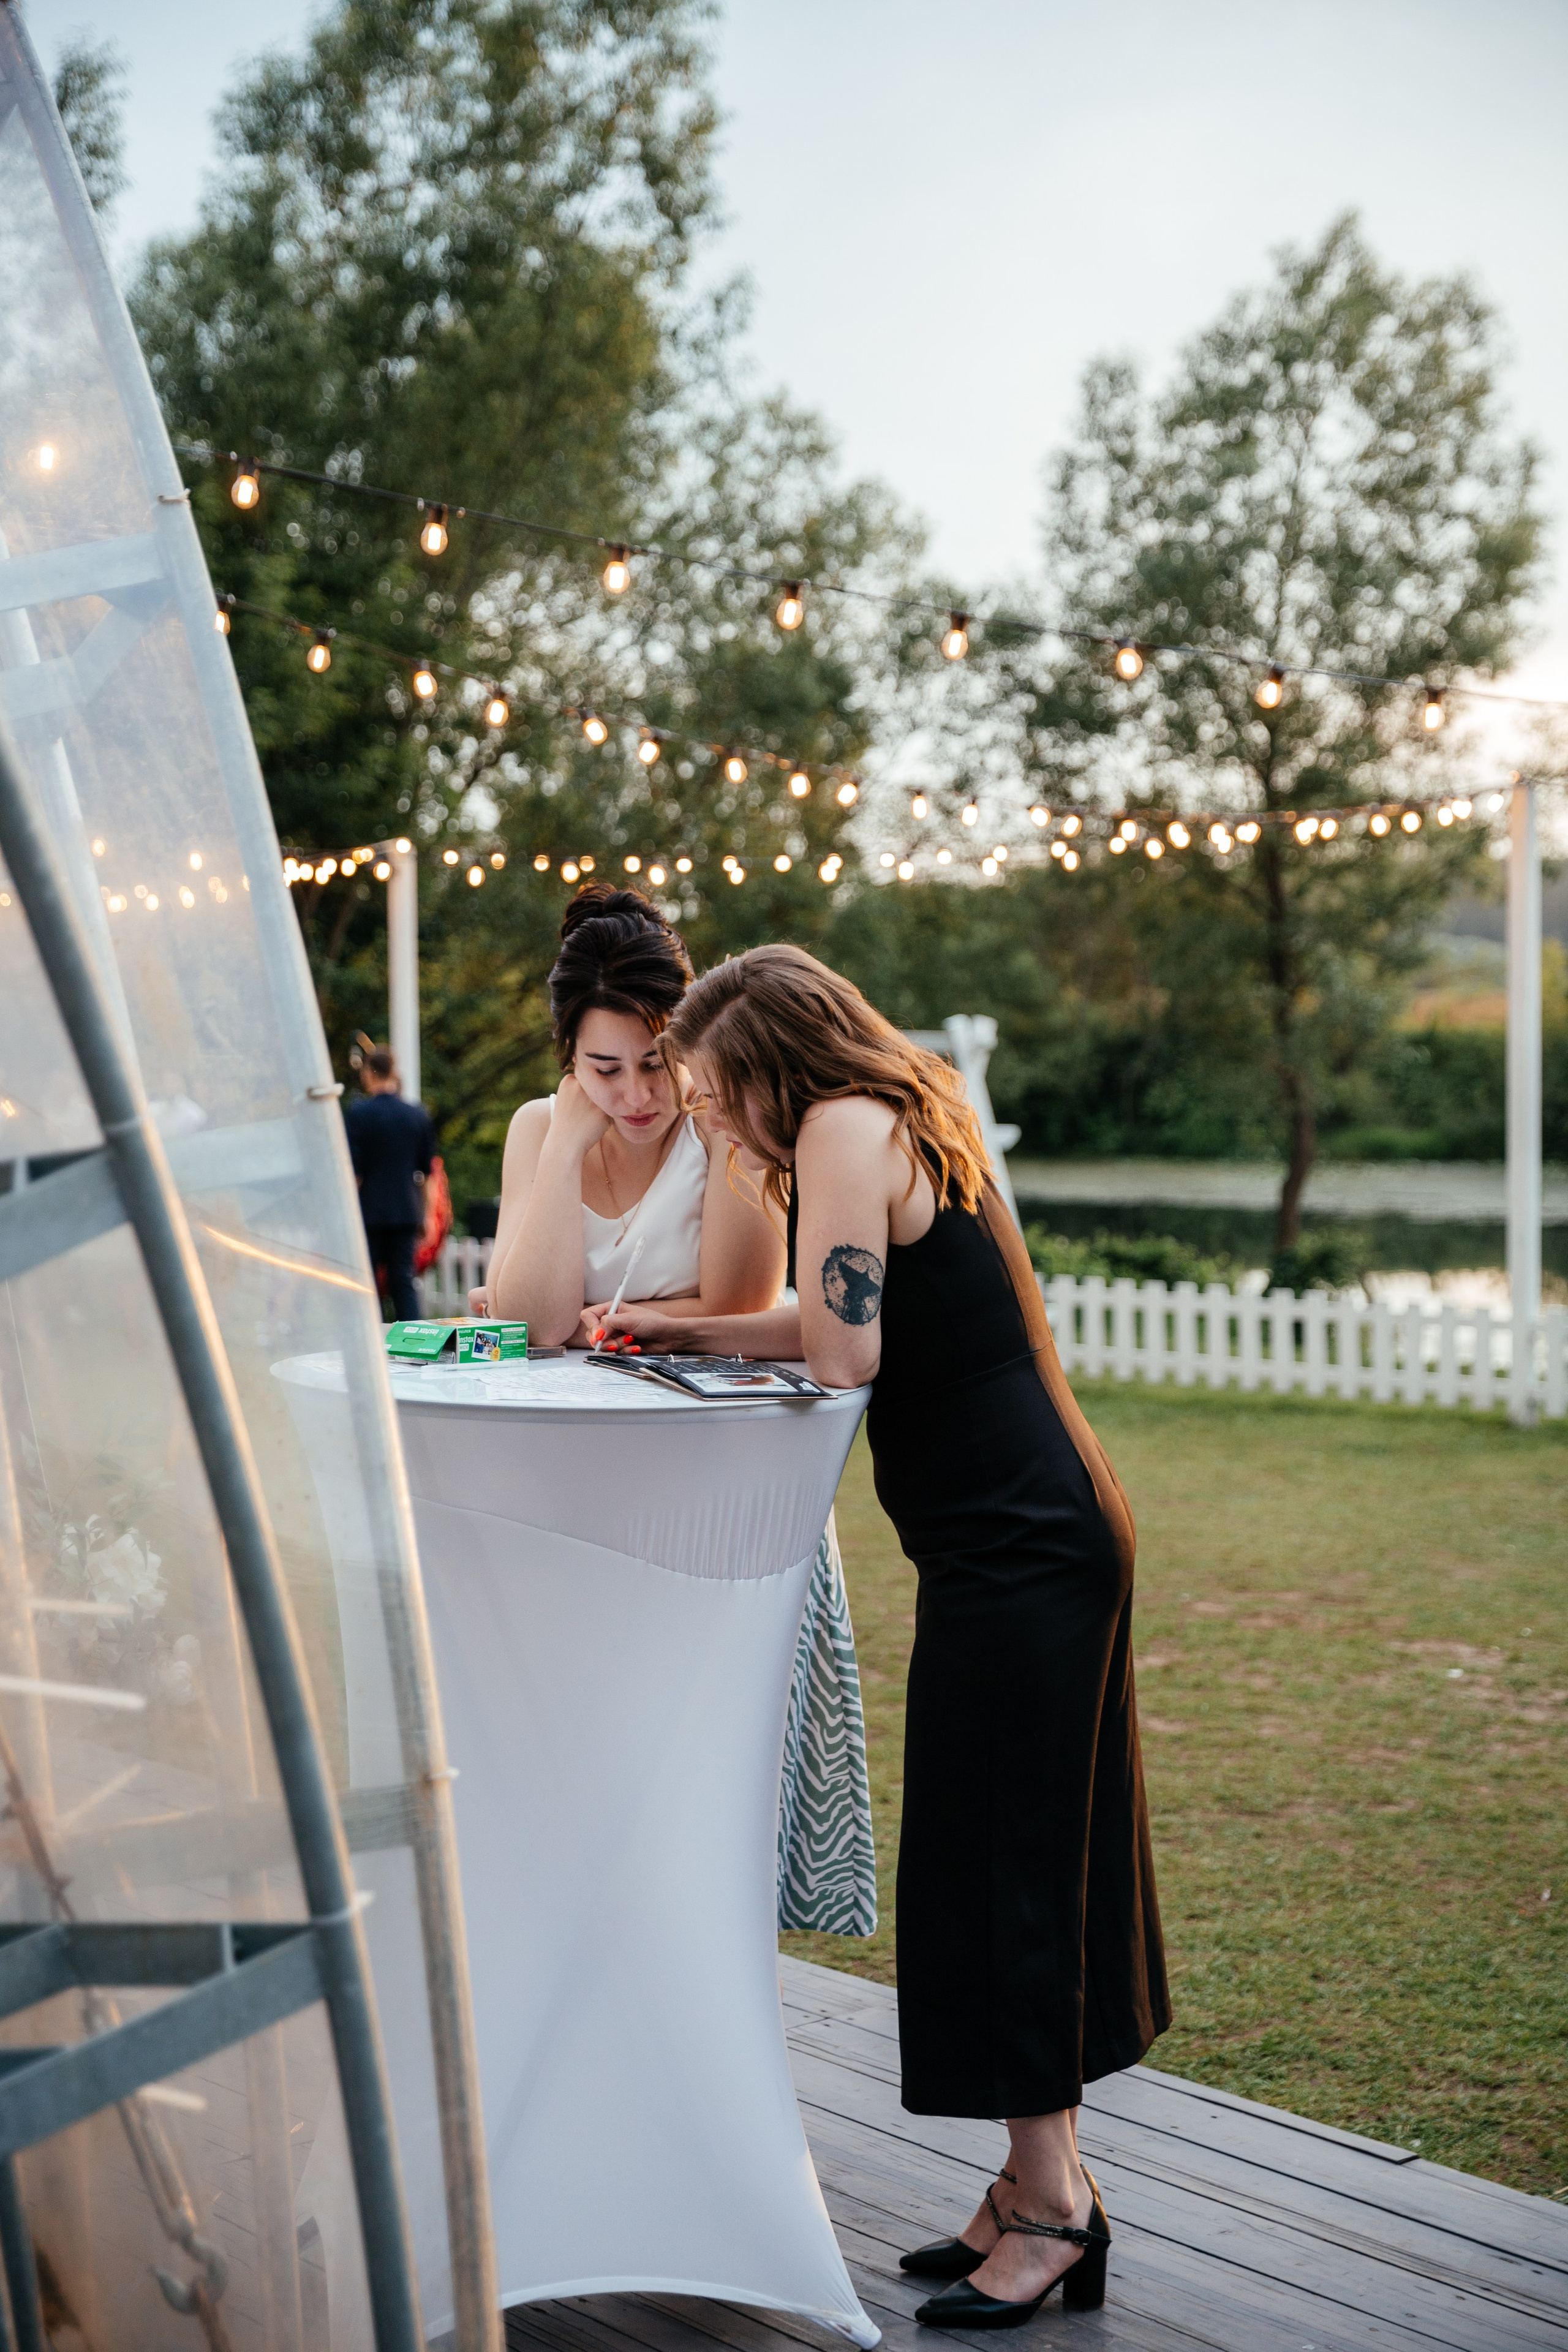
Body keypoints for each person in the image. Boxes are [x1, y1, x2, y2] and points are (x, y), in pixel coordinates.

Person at [599, 945, 1169, 2329]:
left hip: (1022, 1547)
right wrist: (675, 1322)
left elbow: (840, 1352)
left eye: (720, 1089)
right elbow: (830, 1318)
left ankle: (1048, 2209)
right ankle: (1039, 2185)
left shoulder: (845, 1129)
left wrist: (701, 1313)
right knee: (1004, 1854)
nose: (712, 1115)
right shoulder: (887, 1116)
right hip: (1023, 1535)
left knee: (1004, 1871)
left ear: (776, 1062)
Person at [480, 886, 877, 1938]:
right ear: (569, 1060)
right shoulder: (539, 1133)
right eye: (603, 1070)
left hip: (713, 1477)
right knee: (590, 1767)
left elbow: (739, 1305)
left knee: (697, 1772)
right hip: (579, 1489)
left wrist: (580, 1312)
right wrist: (564, 1149)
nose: (638, 1094)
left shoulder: (729, 1132)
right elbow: (526, 1325)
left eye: (655, 1062)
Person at [345, 1046, 436, 1322]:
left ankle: (369, 1340)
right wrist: (428, 1215)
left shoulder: (359, 1113)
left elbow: (355, 1172)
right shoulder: (417, 1115)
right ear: (393, 1073)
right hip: (405, 1211)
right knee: (402, 1281)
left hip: (368, 1211)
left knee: (365, 1281)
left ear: (370, 1074)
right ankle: (415, 1342)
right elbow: (427, 1173)